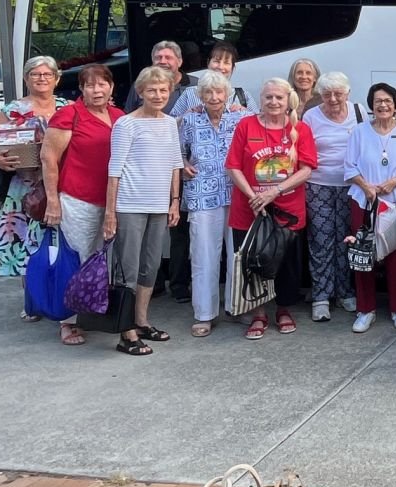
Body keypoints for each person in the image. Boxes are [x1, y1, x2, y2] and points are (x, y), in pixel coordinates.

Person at [226, 77, 317, 340]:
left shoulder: (300, 129)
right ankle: (258, 312)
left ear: (288, 100)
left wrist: (274, 192)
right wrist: (253, 196)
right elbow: (233, 166)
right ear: (261, 100)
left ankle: (284, 308)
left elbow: (307, 169)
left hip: (287, 210)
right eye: (268, 97)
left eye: (279, 97)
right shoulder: (246, 125)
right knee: (252, 262)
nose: (274, 102)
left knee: (286, 262)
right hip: (250, 209)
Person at [40, 63, 123, 346]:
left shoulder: (119, 116)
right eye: (90, 85)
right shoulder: (69, 115)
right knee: (76, 259)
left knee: (102, 261)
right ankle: (68, 321)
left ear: (111, 87)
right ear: (81, 89)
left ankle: (92, 312)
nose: (97, 90)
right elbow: (48, 158)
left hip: (112, 201)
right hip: (78, 200)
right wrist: (53, 201)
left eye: (102, 84)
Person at [105, 65, 184, 356]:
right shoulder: (126, 124)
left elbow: (175, 163)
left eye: (163, 90)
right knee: (128, 268)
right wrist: (110, 212)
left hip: (159, 206)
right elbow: (114, 170)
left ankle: (141, 321)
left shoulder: (170, 123)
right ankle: (125, 331)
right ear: (140, 92)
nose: (158, 95)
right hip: (130, 205)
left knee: (150, 266)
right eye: (152, 90)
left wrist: (174, 201)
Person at [0, 56, 69, 284]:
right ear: (26, 79)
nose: (42, 78)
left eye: (47, 74)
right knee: (25, 248)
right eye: (35, 74)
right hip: (23, 190)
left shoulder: (68, 108)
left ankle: (56, 294)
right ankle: (31, 296)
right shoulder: (14, 109)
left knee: (61, 246)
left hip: (62, 185)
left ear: (56, 79)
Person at [345, 82, 396, 332]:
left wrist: (394, 181)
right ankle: (366, 310)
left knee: (395, 254)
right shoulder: (359, 131)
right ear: (371, 105)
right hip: (363, 200)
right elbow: (349, 166)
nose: (383, 105)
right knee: (363, 253)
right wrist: (366, 187)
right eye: (378, 101)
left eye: (388, 101)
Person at [178, 71, 247, 337]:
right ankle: (204, 314)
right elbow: (176, 150)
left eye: (219, 92)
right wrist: (183, 164)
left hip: (237, 193)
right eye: (208, 92)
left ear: (227, 94)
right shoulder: (190, 119)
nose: (214, 97)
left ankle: (236, 307)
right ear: (200, 95)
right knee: (203, 254)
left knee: (237, 254)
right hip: (202, 193)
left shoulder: (241, 117)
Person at [302, 72, 364, 322]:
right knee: (321, 241)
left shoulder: (359, 111)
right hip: (319, 185)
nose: (333, 99)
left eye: (338, 93)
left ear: (347, 93)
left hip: (352, 186)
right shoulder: (311, 116)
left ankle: (345, 292)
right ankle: (321, 297)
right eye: (327, 94)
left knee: (347, 239)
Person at [168, 41, 257, 118]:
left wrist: (246, 113)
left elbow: (259, 124)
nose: (220, 67)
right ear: (208, 63)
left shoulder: (243, 96)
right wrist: (186, 116)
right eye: (216, 61)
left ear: (233, 68)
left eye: (226, 63)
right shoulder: (189, 93)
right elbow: (172, 125)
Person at [123, 41, 197, 113]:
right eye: (158, 58)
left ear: (179, 62)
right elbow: (129, 114)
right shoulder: (140, 84)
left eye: (168, 57)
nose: (162, 61)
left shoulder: (196, 85)